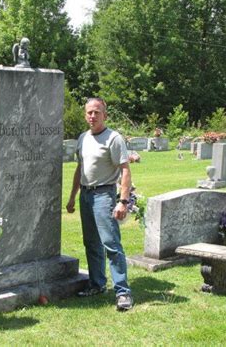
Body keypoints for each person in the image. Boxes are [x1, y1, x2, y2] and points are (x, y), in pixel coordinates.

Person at [66, 97, 133, 311]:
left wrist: (122, 201)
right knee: (91, 243)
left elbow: (125, 170)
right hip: (86, 195)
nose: (92, 116)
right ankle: (97, 284)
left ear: (105, 114)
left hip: (104, 195)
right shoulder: (82, 138)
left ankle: (122, 292)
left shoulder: (114, 138)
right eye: (89, 113)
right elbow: (80, 169)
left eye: (97, 112)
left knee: (111, 244)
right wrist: (72, 197)